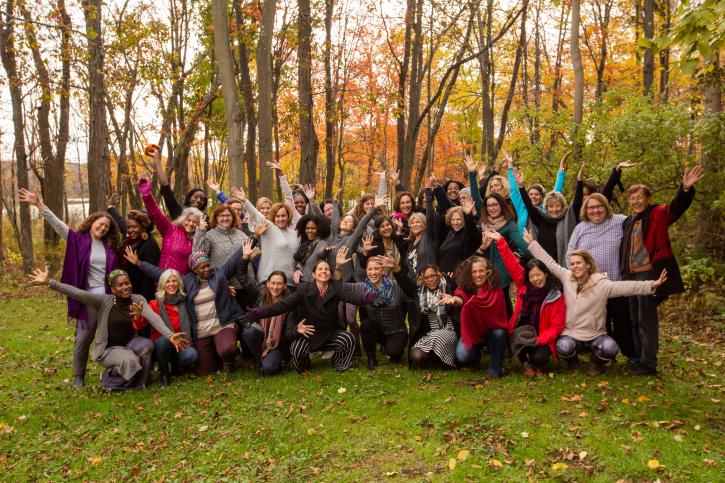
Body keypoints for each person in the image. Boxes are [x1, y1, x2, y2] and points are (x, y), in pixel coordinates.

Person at [523, 229, 668, 375]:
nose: (575, 266)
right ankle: (573, 363)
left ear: (588, 265)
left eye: (578, 263)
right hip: (572, 334)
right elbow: (550, 263)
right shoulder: (567, 278)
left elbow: (626, 287)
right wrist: (532, 244)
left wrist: (651, 285)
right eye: (572, 264)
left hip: (596, 334)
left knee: (610, 348)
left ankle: (595, 362)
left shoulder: (601, 283)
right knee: (563, 347)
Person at [19, 188, 121, 388]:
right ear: (92, 223)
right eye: (100, 224)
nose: (103, 228)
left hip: (109, 299)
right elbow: (57, 225)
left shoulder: (110, 248)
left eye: (106, 227)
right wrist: (39, 204)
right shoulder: (77, 240)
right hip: (87, 297)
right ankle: (78, 375)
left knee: (111, 336)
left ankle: (116, 370)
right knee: (83, 338)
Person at [28, 268, 186, 391]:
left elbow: (154, 318)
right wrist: (50, 282)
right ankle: (108, 378)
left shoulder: (138, 299)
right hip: (108, 349)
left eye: (127, 283)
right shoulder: (104, 301)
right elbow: (78, 293)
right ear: (113, 289)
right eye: (121, 285)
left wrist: (170, 336)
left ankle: (140, 382)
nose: (125, 287)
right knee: (131, 361)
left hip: (129, 344)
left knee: (147, 346)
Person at [619, 165, 704, 375]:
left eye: (639, 197)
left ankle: (648, 363)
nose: (636, 201)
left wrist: (685, 189)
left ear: (647, 198)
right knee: (634, 317)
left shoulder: (657, 213)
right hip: (630, 276)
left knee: (646, 319)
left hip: (649, 273)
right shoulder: (628, 221)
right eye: (632, 198)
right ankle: (638, 358)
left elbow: (676, 208)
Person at [242, 247, 379, 373]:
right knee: (296, 349)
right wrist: (258, 312)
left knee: (347, 338)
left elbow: (353, 297)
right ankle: (304, 366)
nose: (324, 271)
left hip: (327, 333)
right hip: (307, 334)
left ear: (330, 274)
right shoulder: (304, 289)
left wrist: (373, 296)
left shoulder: (335, 288)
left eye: (326, 269)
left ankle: (340, 364)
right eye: (320, 269)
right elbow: (283, 305)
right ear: (313, 274)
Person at [127, 245, 246, 375]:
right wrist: (139, 263)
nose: (207, 269)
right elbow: (162, 274)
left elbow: (233, 259)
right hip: (202, 331)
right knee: (203, 371)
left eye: (208, 265)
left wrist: (255, 235)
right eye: (202, 267)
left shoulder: (219, 274)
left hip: (221, 325)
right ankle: (215, 357)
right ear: (195, 270)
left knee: (226, 349)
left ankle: (228, 360)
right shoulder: (187, 282)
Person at [567, 192, 636, 363]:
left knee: (622, 323)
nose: (596, 211)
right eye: (591, 207)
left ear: (606, 207)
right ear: (586, 210)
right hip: (591, 288)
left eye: (599, 206)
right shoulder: (580, 228)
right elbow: (570, 254)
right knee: (598, 325)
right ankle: (601, 356)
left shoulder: (620, 221)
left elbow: (642, 222)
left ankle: (632, 356)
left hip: (615, 284)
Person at [487, 229, 564, 376]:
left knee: (539, 357)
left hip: (541, 335)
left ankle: (536, 362)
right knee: (518, 335)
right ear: (527, 277)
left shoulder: (555, 295)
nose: (536, 279)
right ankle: (524, 364)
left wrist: (538, 340)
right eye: (532, 276)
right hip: (523, 332)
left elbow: (556, 327)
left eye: (538, 275)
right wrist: (501, 242)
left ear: (545, 274)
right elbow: (511, 264)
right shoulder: (524, 286)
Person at [446, 256, 510, 378]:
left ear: (488, 271)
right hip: (472, 332)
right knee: (462, 356)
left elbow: (499, 318)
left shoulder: (496, 290)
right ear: (469, 274)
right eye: (474, 272)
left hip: (491, 330)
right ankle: (476, 356)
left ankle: (495, 368)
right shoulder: (465, 286)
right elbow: (461, 295)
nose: (478, 275)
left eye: (481, 271)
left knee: (499, 333)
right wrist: (456, 300)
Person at [132, 269, 198, 386]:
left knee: (192, 355)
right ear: (162, 285)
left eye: (174, 281)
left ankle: (176, 365)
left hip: (182, 344)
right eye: (167, 282)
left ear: (179, 283)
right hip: (162, 345)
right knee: (163, 341)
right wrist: (137, 316)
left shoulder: (185, 301)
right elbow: (140, 325)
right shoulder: (155, 304)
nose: (171, 284)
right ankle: (164, 372)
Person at [237, 239, 292, 376]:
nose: (275, 287)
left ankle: (271, 362)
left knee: (270, 369)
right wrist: (245, 257)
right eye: (272, 283)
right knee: (248, 331)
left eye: (279, 284)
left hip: (279, 343)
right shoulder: (261, 291)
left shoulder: (289, 301)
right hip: (262, 336)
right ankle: (262, 360)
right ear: (267, 283)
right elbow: (242, 277)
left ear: (285, 285)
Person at [512, 163, 584, 265]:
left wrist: (580, 181)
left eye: (558, 205)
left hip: (565, 268)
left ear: (563, 206)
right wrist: (521, 186)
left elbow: (577, 202)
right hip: (544, 267)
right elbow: (529, 206)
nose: (554, 209)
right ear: (546, 207)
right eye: (551, 206)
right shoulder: (541, 220)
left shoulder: (568, 218)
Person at [353, 255, 416, 370]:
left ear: (382, 270)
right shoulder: (363, 289)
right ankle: (371, 358)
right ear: (366, 271)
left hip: (396, 330)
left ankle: (389, 349)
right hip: (378, 329)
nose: (373, 272)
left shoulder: (395, 286)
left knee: (394, 352)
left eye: (376, 268)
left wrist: (397, 268)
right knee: (366, 325)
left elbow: (411, 293)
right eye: (370, 269)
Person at [477, 192, 530, 316]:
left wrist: (538, 254)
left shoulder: (509, 225)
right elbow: (476, 198)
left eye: (495, 204)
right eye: (489, 205)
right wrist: (472, 175)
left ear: (501, 205)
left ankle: (508, 331)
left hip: (502, 273)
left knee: (504, 307)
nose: (492, 208)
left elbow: (521, 244)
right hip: (486, 271)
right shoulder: (484, 225)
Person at [138, 176, 202, 275]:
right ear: (183, 220)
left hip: (184, 285)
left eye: (195, 222)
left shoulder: (198, 240)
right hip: (165, 280)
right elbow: (156, 213)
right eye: (188, 220)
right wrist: (147, 195)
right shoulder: (171, 230)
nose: (191, 224)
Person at [106, 194, 161, 302]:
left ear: (143, 227)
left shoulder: (150, 245)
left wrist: (142, 301)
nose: (130, 230)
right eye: (129, 227)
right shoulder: (129, 238)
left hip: (138, 294)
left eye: (134, 227)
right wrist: (110, 207)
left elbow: (149, 278)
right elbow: (120, 221)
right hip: (123, 289)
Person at [408, 265, 458, 369]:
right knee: (416, 355)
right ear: (423, 280)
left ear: (438, 275)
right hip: (430, 333)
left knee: (438, 336)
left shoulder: (449, 286)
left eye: (433, 275)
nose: (430, 279)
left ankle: (443, 360)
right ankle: (437, 361)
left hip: (449, 330)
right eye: (426, 277)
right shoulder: (419, 293)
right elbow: (404, 282)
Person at [507, 150, 568, 233]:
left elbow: (556, 191)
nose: (533, 196)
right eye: (530, 194)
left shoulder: (545, 210)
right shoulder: (521, 208)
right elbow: (514, 190)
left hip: (541, 244)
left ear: (541, 196)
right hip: (523, 245)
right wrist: (510, 165)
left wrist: (561, 170)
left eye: (536, 194)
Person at [149, 145, 207, 219]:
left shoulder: (205, 217)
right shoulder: (179, 212)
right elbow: (165, 187)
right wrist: (156, 159)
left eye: (202, 199)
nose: (198, 200)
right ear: (189, 198)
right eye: (195, 197)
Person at [192, 203, 246, 268]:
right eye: (221, 215)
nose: (225, 218)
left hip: (244, 276)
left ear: (233, 217)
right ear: (216, 218)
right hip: (221, 277)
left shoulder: (241, 234)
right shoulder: (210, 236)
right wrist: (200, 231)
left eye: (228, 215)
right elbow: (197, 256)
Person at [293, 214, 332, 283]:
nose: (309, 231)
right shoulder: (304, 243)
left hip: (314, 283)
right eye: (307, 228)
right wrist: (297, 269)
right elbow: (300, 261)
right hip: (301, 282)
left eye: (313, 228)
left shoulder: (322, 242)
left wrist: (325, 251)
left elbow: (320, 253)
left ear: (319, 229)